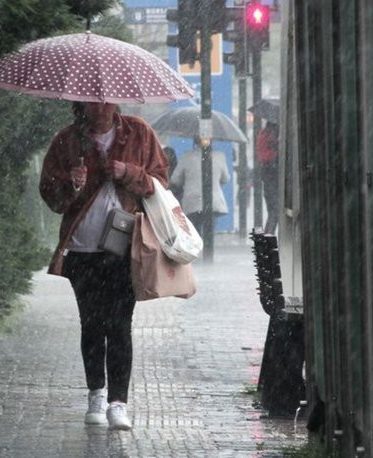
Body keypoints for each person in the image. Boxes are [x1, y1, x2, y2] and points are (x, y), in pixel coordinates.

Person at [39, 102, 167, 431]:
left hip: (125, 248)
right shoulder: (67, 140)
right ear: (81, 104)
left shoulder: (139, 132)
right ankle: (96, 393)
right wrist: (71, 183)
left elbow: (161, 184)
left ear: (115, 101)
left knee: (120, 324)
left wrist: (130, 174)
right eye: (92, 101)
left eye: (105, 100)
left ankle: (118, 403)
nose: (100, 107)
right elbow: (51, 197)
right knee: (92, 324)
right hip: (82, 250)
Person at [169, 136, 231, 234]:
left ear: (194, 142)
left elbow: (175, 180)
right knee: (209, 231)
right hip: (213, 201)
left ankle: (199, 245)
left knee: (195, 232)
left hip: (192, 201)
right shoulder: (219, 156)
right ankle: (208, 247)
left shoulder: (187, 156)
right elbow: (226, 178)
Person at [256, 121, 280, 234]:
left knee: (273, 212)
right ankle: (268, 240)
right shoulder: (270, 136)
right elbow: (267, 156)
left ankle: (267, 242)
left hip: (267, 176)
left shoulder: (264, 134)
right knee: (275, 212)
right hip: (272, 176)